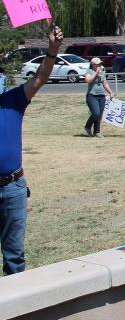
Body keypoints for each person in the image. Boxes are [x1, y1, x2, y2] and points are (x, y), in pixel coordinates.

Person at [1, 22, 63, 275]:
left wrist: (52, 50)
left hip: (13, 187)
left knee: (15, 256)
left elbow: (40, 77)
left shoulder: (13, 101)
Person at [83, 56, 114, 137]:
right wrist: (96, 74)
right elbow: (88, 80)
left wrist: (110, 92)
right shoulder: (89, 71)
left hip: (101, 96)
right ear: (93, 64)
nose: (100, 65)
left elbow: (105, 83)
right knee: (95, 113)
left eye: (100, 63)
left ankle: (97, 132)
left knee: (100, 115)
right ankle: (87, 127)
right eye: (98, 64)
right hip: (91, 96)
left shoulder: (102, 71)